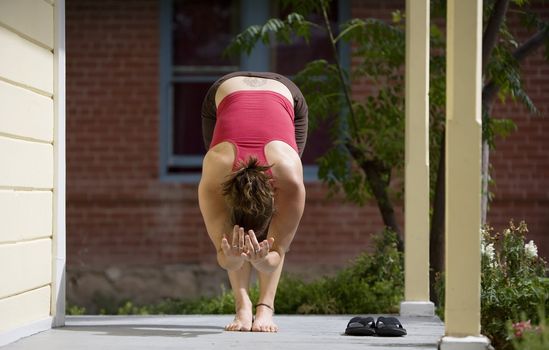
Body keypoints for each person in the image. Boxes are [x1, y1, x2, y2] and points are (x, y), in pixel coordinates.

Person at [198, 72, 308, 332]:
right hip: (224, 91)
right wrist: (234, 256)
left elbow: (277, 250)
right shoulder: (215, 170)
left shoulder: (290, 178)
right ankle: (243, 306)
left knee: (273, 238)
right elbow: (223, 254)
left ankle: (265, 308)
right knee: (230, 241)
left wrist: (261, 259)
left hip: (285, 94)